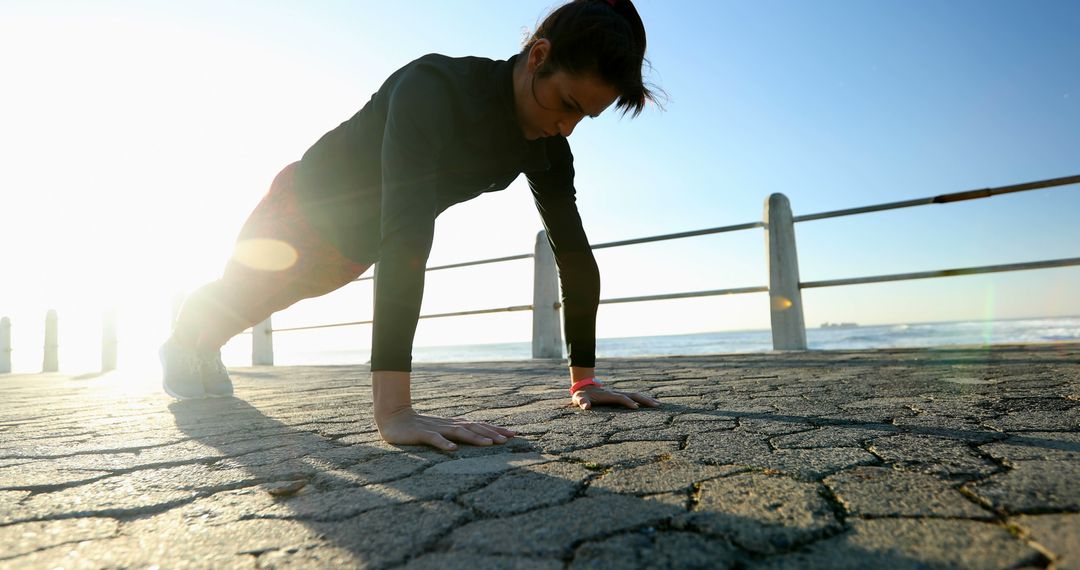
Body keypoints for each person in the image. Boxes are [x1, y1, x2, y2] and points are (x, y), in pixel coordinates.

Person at [160, 0, 663, 451]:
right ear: (538, 57)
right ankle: (186, 341)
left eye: (584, 118)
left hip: (357, 243)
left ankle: (203, 342)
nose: (566, 127)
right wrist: (395, 412)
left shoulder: (548, 147)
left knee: (272, 300)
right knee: (244, 292)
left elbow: (573, 254)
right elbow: (408, 230)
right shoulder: (435, 87)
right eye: (568, 104)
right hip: (302, 205)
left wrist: (584, 381)